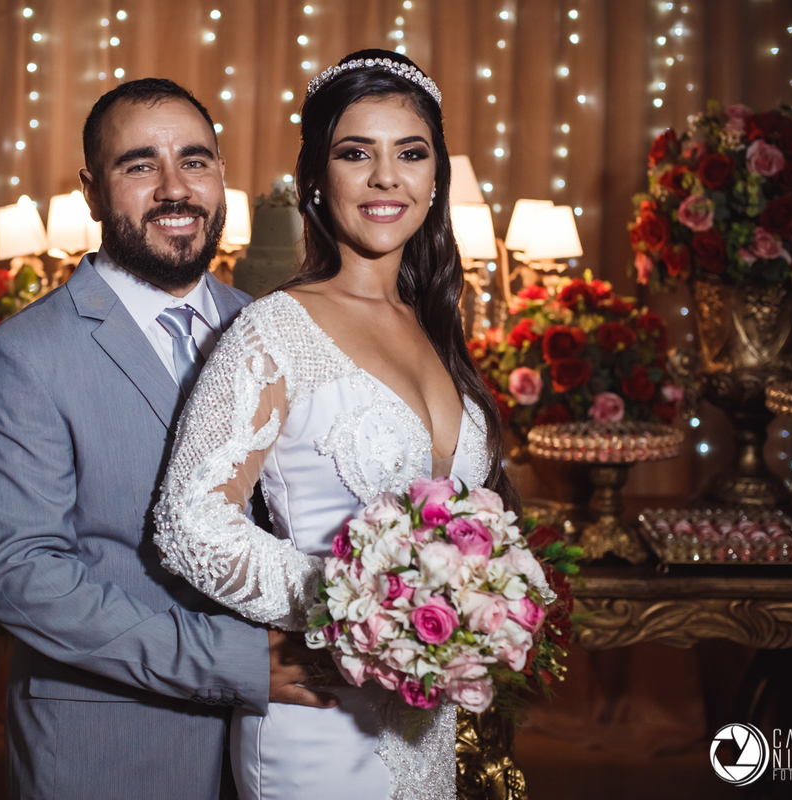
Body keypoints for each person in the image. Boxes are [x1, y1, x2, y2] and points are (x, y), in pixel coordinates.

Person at [154, 51, 520, 800]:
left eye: (411, 153)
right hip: (319, 717)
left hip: (426, 719)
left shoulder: (436, 329)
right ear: (317, 179)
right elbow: (188, 521)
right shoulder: (274, 331)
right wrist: (357, 604)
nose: (388, 177)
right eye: (358, 153)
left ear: (435, 178)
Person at [0, 78, 335, 800]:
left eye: (195, 162)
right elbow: (21, 577)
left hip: (283, 746)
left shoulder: (269, 327)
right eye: (140, 165)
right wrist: (237, 661)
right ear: (92, 191)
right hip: (110, 745)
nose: (175, 189)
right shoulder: (24, 355)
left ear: (220, 175)